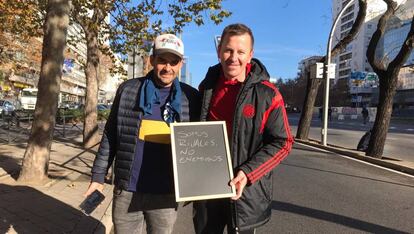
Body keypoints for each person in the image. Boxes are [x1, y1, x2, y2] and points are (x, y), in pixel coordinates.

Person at [84, 34, 200, 234]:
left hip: (166, 193)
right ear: (152, 60)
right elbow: (110, 135)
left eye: (174, 62)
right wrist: (98, 177)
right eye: (162, 60)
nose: (167, 68)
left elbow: (200, 143)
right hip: (128, 188)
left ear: (181, 64)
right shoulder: (128, 90)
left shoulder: (191, 98)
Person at [193, 23, 294, 234]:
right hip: (207, 189)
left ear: (250, 55)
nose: (233, 57)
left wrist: (248, 173)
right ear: (219, 51)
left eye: (241, 52)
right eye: (228, 50)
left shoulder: (268, 94)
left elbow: (283, 142)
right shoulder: (206, 88)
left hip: (244, 191)